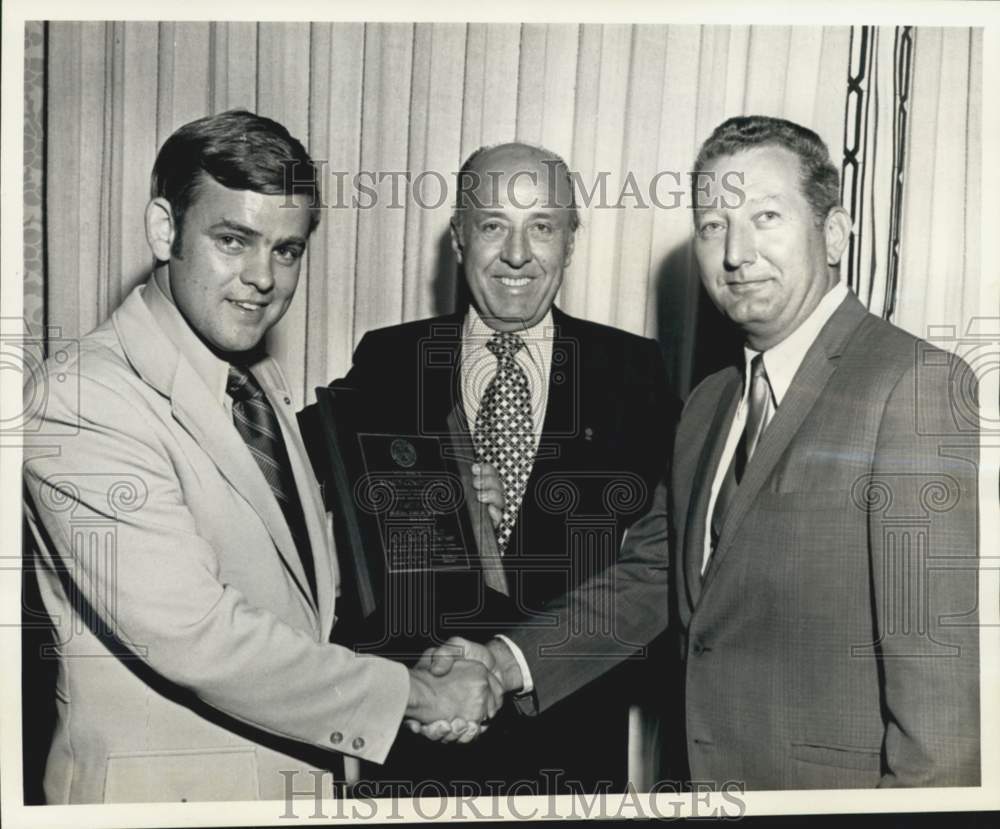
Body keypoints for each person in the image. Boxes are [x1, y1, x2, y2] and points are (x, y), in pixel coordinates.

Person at [424, 116, 981, 789]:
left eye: (765, 217)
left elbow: (941, 709)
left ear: (833, 233)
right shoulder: (709, 403)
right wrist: (505, 660)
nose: (736, 254)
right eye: (714, 225)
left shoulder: (912, 384)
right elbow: (650, 579)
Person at [21, 109, 501, 804]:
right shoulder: (79, 397)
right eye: (232, 239)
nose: (261, 278)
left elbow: (290, 585)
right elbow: (196, 632)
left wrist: (443, 502)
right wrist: (418, 694)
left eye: (286, 250)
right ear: (165, 229)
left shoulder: (251, 379)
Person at [299, 142, 676, 792]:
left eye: (543, 227)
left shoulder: (635, 375)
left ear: (571, 241)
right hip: (415, 755)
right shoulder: (390, 359)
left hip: (571, 757)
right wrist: (403, 497)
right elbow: (291, 478)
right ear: (458, 237)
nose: (518, 254)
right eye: (494, 224)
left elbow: (657, 574)